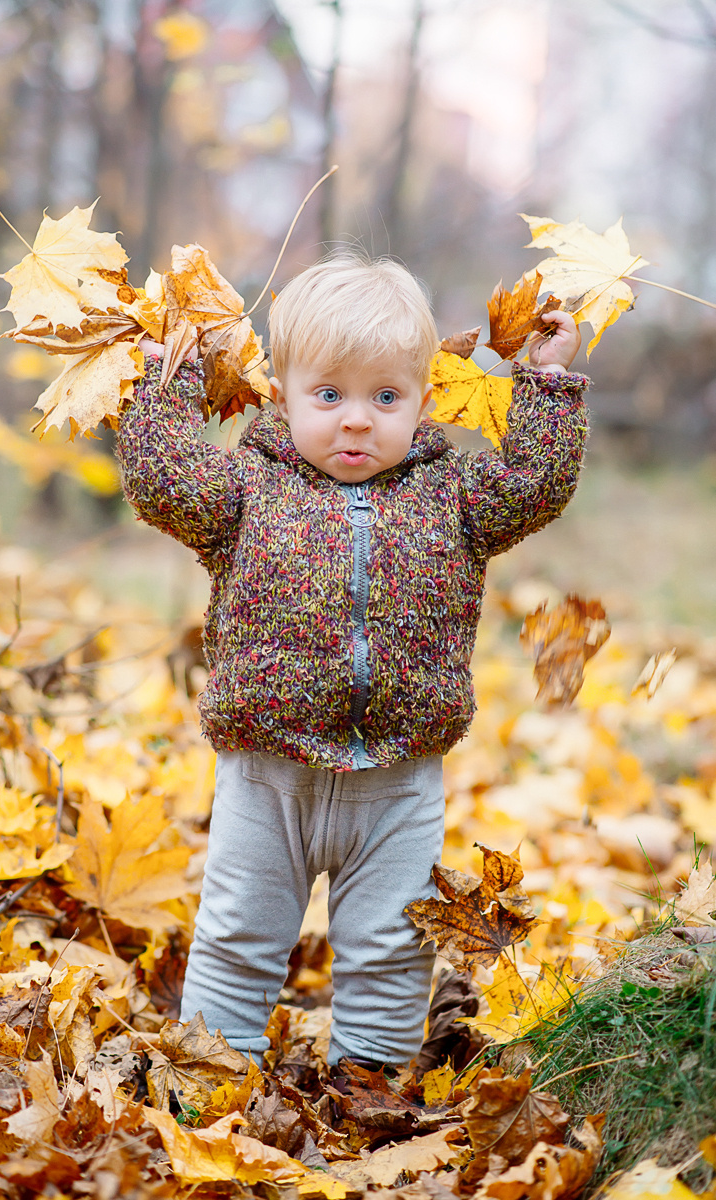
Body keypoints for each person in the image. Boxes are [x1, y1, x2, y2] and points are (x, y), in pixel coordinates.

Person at [116, 252, 586, 1068]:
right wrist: (165, 388)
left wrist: (544, 383)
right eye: (328, 395)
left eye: (384, 397)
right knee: (236, 937)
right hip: (269, 774)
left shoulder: (453, 498)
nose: (357, 420)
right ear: (283, 394)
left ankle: (366, 1086)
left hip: (398, 784)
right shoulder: (243, 494)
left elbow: (535, 485)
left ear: (422, 401)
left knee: (390, 951)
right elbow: (160, 479)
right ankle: (208, 1078)